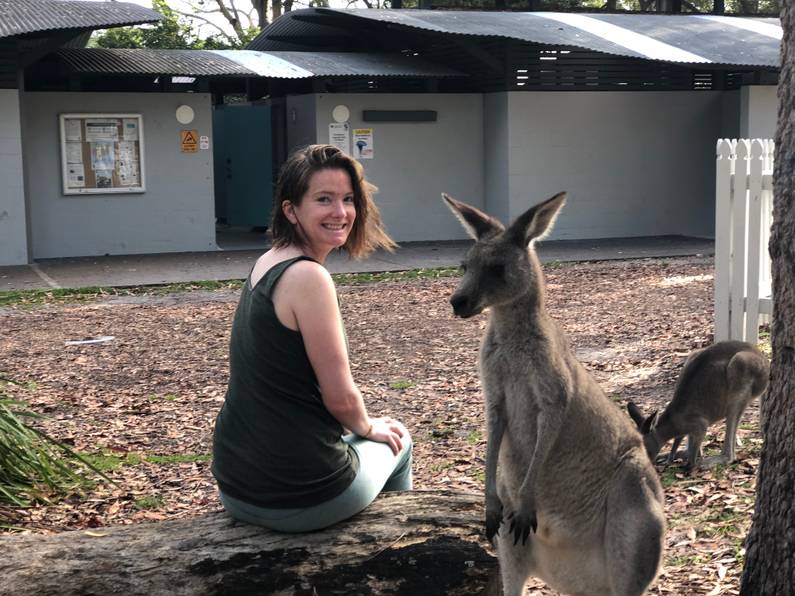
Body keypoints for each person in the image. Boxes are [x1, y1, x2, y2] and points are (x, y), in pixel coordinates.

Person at [212, 144, 412, 532]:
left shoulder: (268, 261)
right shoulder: (309, 278)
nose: (341, 213)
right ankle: (394, 547)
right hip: (298, 495)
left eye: (348, 199)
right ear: (291, 210)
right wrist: (369, 428)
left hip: (237, 484)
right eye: (324, 199)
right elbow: (340, 397)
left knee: (371, 436)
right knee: (398, 442)